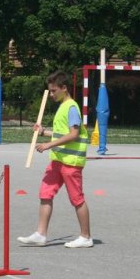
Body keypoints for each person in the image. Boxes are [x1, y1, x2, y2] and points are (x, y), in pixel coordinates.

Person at [17, 71, 93, 248]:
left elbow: (74, 134)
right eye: (50, 91)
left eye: (53, 91)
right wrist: (44, 132)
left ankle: (86, 236)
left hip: (71, 162)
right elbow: (62, 133)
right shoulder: (62, 107)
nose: (51, 94)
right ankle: (40, 234)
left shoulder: (71, 107)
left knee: (76, 198)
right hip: (57, 160)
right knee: (45, 193)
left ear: (64, 88)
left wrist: (48, 145)